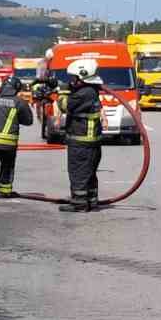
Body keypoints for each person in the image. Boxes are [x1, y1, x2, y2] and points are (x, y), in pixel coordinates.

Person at [60, 59, 103, 213]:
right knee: (89, 173)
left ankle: (79, 203)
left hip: (81, 142)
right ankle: (91, 200)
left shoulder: (84, 93)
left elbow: (64, 105)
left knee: (78, 172)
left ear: (82, 75)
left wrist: (62, 91)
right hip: (91, 143)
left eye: (74, 78)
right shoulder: (92, 90)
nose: (72, 80)